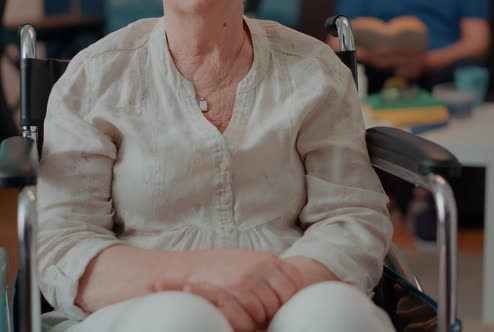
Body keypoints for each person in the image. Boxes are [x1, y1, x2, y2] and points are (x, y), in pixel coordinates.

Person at [37, 1, 395, 331]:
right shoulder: (94, 78)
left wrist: (270, 290)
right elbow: (65, 245)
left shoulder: (314, 70)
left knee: (337, 315)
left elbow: (350, 215)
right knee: (182, 320)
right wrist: (203, 277)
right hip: (134, 304)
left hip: (294, 291)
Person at [330, 0, 491, 93]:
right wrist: (371, 57)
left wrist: (425, 62)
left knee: (469, 68)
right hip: (374, 67)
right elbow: (336, 40)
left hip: (440, 68)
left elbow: (477, 41)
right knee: (339, 68)